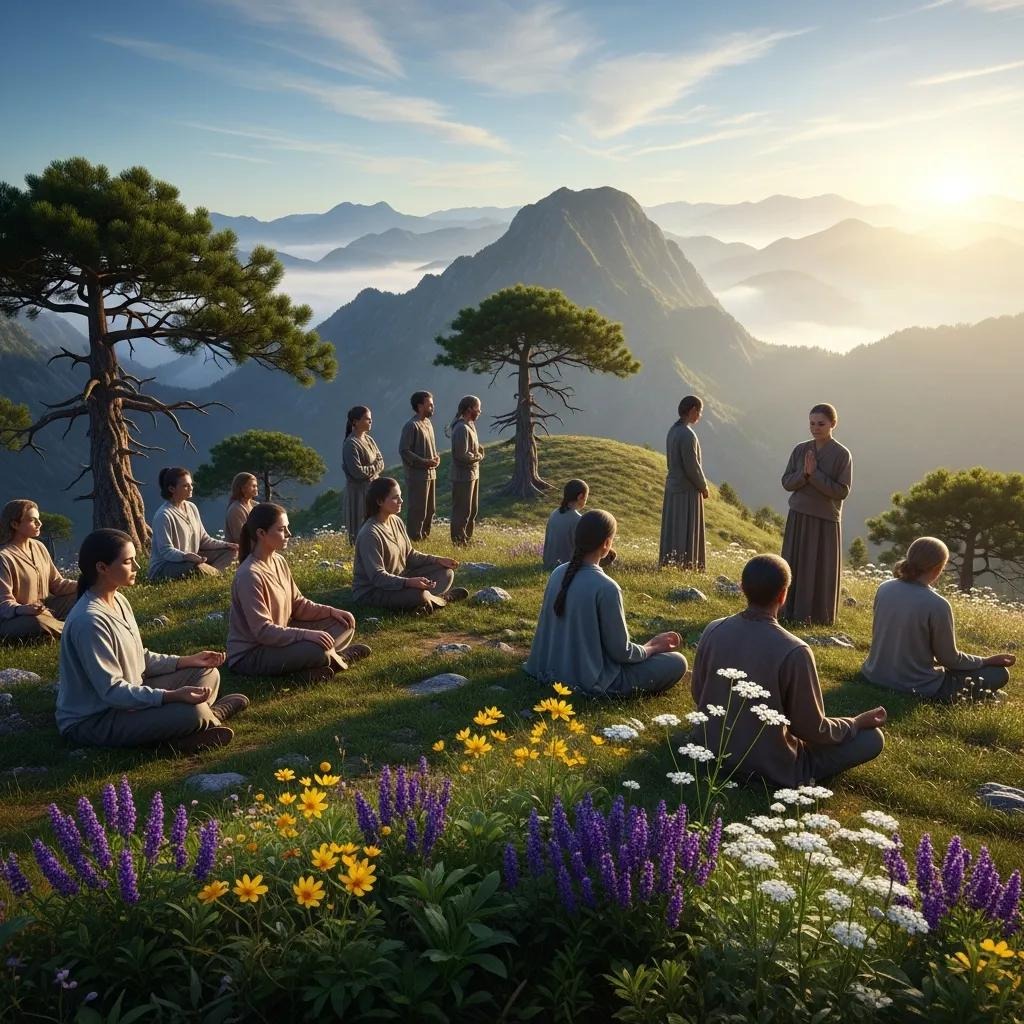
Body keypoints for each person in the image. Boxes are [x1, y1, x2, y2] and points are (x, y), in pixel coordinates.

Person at [691, 554, 886, 787]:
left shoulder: (714, 629)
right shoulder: (794, 650)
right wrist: (855, 723)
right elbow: (812, 729)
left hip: (709, 750)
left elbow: (698, 693)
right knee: (872, 738)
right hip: (770, 768)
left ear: (742, 588)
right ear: (783, 595)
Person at [57, 529, 247, 751]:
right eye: (128, 561)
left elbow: (139, 657)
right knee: (193, 711)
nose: (137, 567)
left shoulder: (119, 600)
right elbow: (112, 692)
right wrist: (171, 696)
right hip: (97, 719)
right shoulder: (89, 621)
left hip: (130, 698)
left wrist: (187, 661)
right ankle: (203, 719)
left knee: (206, 673)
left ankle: (192, 726)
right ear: (102, 567)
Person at [525, 510, 687, 696]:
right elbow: (621, 653)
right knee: (677, 662)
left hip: (549, 671)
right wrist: (652, 646)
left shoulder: (557, 573)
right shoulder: (607, 588)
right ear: (606, 543)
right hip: (591, 681)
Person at [227, 503, 371, 684]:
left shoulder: (278, 561)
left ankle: (320, 663)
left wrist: (330, 611)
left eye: (287, 528)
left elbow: (298, 604)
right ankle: (333, 659)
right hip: (253, 654)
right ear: (261, 533)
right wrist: (306, 635)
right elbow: (263, 631)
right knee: (318, 650)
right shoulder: (249, 575)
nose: (289, 534)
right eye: (282, 529)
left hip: (280, 638)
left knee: (343, 623)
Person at [861, 537, 1015, 702]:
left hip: (874, 674)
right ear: (938, 568)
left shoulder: (884, 588)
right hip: (914, 685)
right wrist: (986, 661)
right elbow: (949, 660)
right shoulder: (937, 604)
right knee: (998, 674)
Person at [780, 403, 852, 625]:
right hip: (798, 515)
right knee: (794, 564)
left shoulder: (842, 454)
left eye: (821, 424)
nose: (815, 428)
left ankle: (819, 616)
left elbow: (842, 491)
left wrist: (815, 475)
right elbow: (786, 482)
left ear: (833, 424)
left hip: (825, 520)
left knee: (820, 568)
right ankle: (787, 611)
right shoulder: (800, 450)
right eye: (812, 423)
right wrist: (804, 474)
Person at [352, 477, 467, 612]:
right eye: (395, 498)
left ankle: (429, 601)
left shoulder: (396, 521)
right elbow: (377, 577)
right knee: (419, 595)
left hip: (401, 579)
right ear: (379, 501)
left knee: (446, 573)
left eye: (400, 496)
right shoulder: (370, 534)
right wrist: (409, 582)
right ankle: (440, 599)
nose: (401, 501)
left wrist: (437, 560)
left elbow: (410, 555)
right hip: (374, 591)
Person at [0, 499, 78, 644]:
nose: (39, 524)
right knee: (37, 622)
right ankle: (74, 630)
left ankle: (60, 627)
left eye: (39, 519)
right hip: (15, 618)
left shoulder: (39, 547)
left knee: (87, 595)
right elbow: (3, 604)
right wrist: (23, 609)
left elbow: (56, 584)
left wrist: (88, 584)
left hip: (43, 609)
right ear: (15, 524)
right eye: (32, 520)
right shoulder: (4, 557)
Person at [148, 467, 238, 581]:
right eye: (185, 486)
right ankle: (217, 578)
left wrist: (226, 545)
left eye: (191, 484)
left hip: (191, 559)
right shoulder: (164, 515)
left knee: (231, 552)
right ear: (171, 489)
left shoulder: (191, 507)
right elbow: (166, 551)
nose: (191, 488)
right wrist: (186, 556)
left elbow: (204, 540)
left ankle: (210, 575)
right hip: (166, 566)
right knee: (196, 566)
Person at [659, 395, 708, 570]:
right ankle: (687, 565)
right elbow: (692, 466)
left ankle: (669, 562)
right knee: (686, 528)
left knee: (673, 528)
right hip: (687, 490)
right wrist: (703, 486)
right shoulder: (688, 434)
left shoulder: (673, 431)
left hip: (673, 487)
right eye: (699, 412)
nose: (699, 416)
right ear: (693, 410)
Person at [399, 391, 440, 541]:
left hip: (431, 473)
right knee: (418, 509)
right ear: (420, 406)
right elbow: (404, 450)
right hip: (417, 475)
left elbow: (430, 447)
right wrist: (424, 462)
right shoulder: (411, 426)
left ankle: (424, 536)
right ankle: (413, 538)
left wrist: (435, 458)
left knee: (430, 509)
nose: (432, 407)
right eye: (430, 405)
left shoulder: (428, 423)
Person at [342, 405, 386, 544]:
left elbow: (381, 462)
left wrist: (372, 469)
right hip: (358, 493)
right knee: (361, 525)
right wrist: (375, 469)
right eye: (367, 419)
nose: (370, 421)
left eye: (370, 418)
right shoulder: (351, 444)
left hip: (372, 489)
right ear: (355, 421)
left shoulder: (369, 440)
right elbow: (357, 472)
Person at [448, 395, 484, 545]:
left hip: (472, 474)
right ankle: (458, 541)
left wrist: (477, 451)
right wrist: (478, 456)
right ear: (469, 409)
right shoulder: (461, 428)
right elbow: (461, 455)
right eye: (478, 409)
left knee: (471, 509)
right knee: (462, 510)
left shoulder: (470, 425)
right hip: (463, 476)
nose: (479, 412)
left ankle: (467, 538)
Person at [543, 480, 589, 571]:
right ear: (580, 497)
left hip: (548, 564)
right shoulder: (579, 520)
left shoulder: (554, 513)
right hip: (566, 568)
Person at [225, 472, 259, 549]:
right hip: (240, 552)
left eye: (256, 486)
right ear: (243, 488)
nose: (256, 489)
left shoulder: (256, 505)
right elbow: (240, 538)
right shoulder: (235, 509)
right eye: (253, 486)